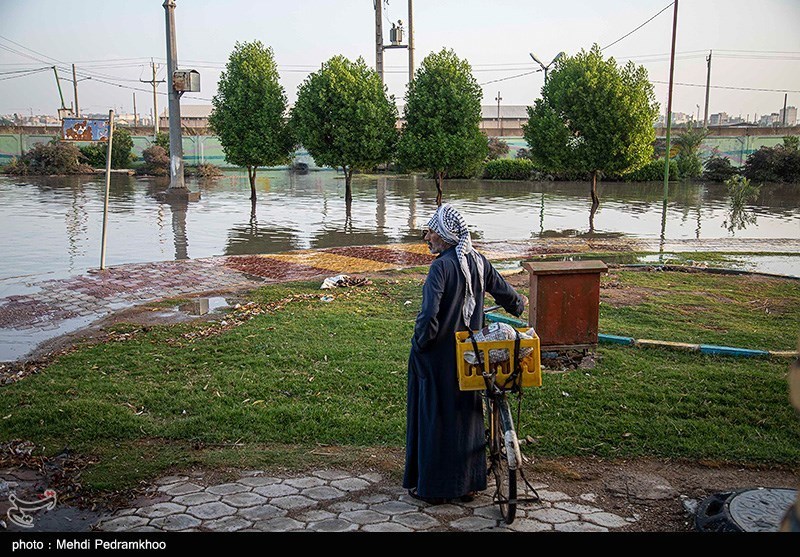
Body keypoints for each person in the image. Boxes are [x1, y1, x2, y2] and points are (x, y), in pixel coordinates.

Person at [403, 203, 527, 504]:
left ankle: (434, 488)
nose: (427, 237)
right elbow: (508, 296)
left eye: (431, 232)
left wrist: (421, 344)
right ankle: (468, 485)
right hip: (472, 356)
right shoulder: (478, 261)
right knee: (467, 415)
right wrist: (519, 305)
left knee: (435, 416)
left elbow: (429, 316)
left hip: (439, 357)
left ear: (445, 235)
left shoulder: (441, 267)